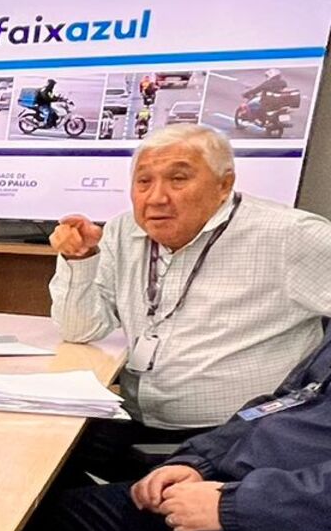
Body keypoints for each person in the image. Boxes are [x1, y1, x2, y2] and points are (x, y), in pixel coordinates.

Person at [46, 122, 331, 482]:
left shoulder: (291, 235)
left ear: (224, 185)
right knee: (32, 450)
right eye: (143, 181)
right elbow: (81, 329)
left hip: (235, 439)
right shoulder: (122, 231)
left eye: (178, 179)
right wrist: (80, 259)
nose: (156, 198)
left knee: (66, 507)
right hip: (136, 421)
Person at [13, 323, 331, 531]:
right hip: (244, 490)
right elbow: (283, 404)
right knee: (42, 525)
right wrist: (199, 461)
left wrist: (233, 506)